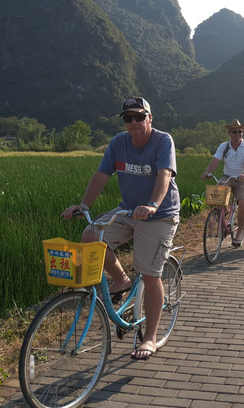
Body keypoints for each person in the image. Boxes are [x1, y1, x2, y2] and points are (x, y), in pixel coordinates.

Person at [62, 96, 179, 361]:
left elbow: (164, 175)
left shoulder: (163, 141)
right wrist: (83, 204)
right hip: (127, 210)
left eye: (139, 117)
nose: (134, 122)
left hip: (159, 214)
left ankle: (149, 338)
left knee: (149, 274)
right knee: (90, 235)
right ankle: (121, 279)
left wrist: (151, 205)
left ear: (150, 118)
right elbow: (101, 175)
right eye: (128, 118)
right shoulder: (118, 143)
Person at [200, 119, 244, 247]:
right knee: (217, 195)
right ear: (229, 133)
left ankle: (240, 231)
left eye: (240, 132)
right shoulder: (223, 146)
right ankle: (222, 216)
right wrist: (207, 172)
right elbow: (215, 161)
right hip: (227, 177)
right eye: (235, 132)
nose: (238, 134)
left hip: (243, 178)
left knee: (242, 202)